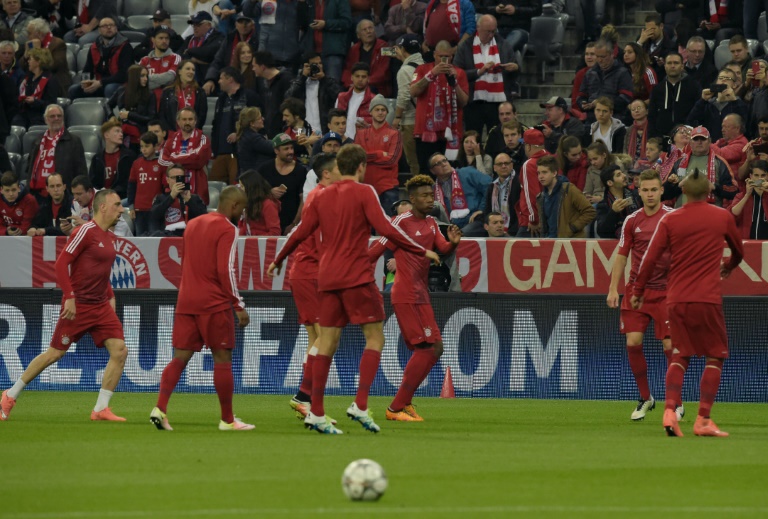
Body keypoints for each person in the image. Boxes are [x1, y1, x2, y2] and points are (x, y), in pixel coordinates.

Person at [267, 144, 438, 434]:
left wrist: (278, 259)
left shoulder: (320, 195)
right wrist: (420, 250)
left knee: (327, 342)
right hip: (357, 276)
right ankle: (359, 404)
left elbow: (300, 231)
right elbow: (386, 228)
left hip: (327, 278)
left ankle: (316, 412)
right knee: (375, 337)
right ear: (361, 167)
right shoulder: (364, 191)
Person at [631, 169, 744, 437]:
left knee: (680, 355)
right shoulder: (722, 216)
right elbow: (739, 251)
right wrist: (729, 265)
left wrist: (638, 289)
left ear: (683, 191)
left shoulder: (671, 220)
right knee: (715, 355)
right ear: (709, 192)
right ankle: (703, 418)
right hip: (707, 298)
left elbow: (649, 257)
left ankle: (670, 411)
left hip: (676, 298)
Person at [1, 189, 128, 422]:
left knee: (120, 351)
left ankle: (101, 409)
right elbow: (61, 264)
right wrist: (69, 296)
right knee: (55, 354)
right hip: (78, 305)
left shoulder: (109, 236)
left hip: (100, 306)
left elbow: (101, 272)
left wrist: (110, 296)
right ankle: (9, 395)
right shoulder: (85, 231)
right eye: (117, 205)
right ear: (102, 207)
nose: (122, 209)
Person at [150, 186, 255, 432]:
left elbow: (187, 262)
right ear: (234, 206)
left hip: (186, 300)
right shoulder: (228, 228)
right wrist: (238, 304)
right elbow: (225, 269)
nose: (242, 214)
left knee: (180, 357)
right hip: (214, 303)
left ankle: (160, 408)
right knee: (222, 358)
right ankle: (227, 420)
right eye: (242, 209)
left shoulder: (194, 224)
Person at [368, 174, 461, 421]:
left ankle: (404, 403)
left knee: (435, 348)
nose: (430, 199)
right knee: (427, 349)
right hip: (406, 294)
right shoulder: (400, 221)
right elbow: (376, 249)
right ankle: (396, 407)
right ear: (412, 198)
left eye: (431, 195)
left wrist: (452, 243)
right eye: (424, 195)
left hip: (421, 294)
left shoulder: (431, 222)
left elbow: (442, 248)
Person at [606, 169, 679, 420]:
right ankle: (646, 397)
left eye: (654, 190)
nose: (649, 194)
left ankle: (675, 402)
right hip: (637, 291)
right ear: (639, 192)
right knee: (633, 342)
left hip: (666, 291)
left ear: (661, 191)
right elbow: (621, 255)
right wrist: (613, 288)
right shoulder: (632, 220)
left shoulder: (672, 217)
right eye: (645, 190)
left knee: (669, 345)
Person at [286, 153, 340, 420]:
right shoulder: (322, 198)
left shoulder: (317, 196)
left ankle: (307, 399)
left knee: (316, 338)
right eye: (339, 168)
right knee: (326, 338)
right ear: (327, 173)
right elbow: (323, 242)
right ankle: (305, 397)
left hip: (305, 272)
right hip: (312, 273)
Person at [453, 14, 520, 137]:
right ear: (478, 28)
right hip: (474, 103)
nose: (491, 35)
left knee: (497, 140)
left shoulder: (503, 44)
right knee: (472, 139)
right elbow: (457, 73)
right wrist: (479, 72)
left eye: (493, 31)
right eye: (488, 31)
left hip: (498, 104)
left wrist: (515, 68)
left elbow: (514, 69)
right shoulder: (465, 46)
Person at [410, 40, 470, 173]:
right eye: (440, 56)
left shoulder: (459, 73)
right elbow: (413, 92)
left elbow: (464, 102)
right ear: (434, 55)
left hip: (451, 133)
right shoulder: (422, 69)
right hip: (425, 131)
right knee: (426, 171)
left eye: (447, 56)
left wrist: (454, 83)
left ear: (452, 56)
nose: (444, 60)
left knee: (450, 172)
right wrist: (431, 74)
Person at [22, 104, 87, 203]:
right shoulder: (37, 141)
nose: (56, 118)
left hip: (63, 197)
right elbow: (30, 168)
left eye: (59, 116)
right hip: (37, 195)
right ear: (46, 119)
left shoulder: (74, 141)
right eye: (52, 116)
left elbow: (81, 171)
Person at [664, 126, 738, 207]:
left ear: (709, 141)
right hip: (682, 212)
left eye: (703, 139)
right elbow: (664, 194)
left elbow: (734, 191)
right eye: (696, 139)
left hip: (710, 213)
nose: (699, 142)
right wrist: (675, 185)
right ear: (690, 142)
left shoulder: (720, 162)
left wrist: (714, 187)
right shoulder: (679, 162)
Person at [210, 67, 261, 184]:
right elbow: (216, 125)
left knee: (237, 186)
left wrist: (240, 133)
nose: (219, 81)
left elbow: (258, 121)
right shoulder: (221, 99)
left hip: (239, 153)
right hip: (221, 152)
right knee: (213, 185)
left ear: (230, 79)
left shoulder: (249, 96)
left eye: (221, 78)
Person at [354, 94, 403, 213]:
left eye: (383, 110)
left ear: (387, 112)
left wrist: (367, 159)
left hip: (388, 188)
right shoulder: (361, 133)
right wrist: (379, 154)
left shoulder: (394, 134)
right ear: (371, 112)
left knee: (389, 223)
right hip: (365, 187)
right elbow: (356, 158)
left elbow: (392, 161)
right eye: (377, 109)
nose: (380, 112)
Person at [69, 17, 134, 100]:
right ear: (99, 30)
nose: (109, 27)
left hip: (118, 84)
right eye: (105, 26)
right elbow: (88, 69)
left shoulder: (125, 47)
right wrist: (86, 82)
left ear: (116, 29)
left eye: (111, 25)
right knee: (73, 90)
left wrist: (100, 82)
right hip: (99, 84)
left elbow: (124, 75)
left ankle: (110, 108)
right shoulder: (94, 47)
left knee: (109, 88)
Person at [532, 155, 596, 238]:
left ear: (554, 173)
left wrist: (572, 228)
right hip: (549, 241)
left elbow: (590, 211)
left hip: (569, 241)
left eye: (544, 172)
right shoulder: (541, 197)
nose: (540, 176)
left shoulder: (569, 190)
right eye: (538, 173)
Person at [158, 107, 212, 205]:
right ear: (178, 122)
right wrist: (189, 159)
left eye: (190, 119)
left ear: (195, 121)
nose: (187, 122)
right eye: (184, 119)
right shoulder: (170, 140)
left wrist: (174, 157)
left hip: (197, 190)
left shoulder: (203, 139)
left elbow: (198, 161)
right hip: (173, 192)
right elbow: (162, 162)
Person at [258, 133, 308, 233]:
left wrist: (294, 224)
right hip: (267, 225)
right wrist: (269, 193)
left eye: (292, 148)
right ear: (276, 151)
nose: (291, 152)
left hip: (291, 224)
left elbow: (303, 200)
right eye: (286, 149)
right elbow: (254, 194)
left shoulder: (301, 171)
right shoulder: (264, 169)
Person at [285, 52, 343, 137]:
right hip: (301, 130)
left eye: (320, 63)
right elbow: (288, 98)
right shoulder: (299, 82)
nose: (318, 66)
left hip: (324, 130)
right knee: (300, 144)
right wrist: (302, 78)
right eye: (314, 64)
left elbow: (339, 97)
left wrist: (324, 79)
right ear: (306, 66)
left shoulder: (329, 81)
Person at [577, 38, 634, 123]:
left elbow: (625, 99)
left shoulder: (623, 73)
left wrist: (601, 104)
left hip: (615, 119)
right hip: (591, 119)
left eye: (603, 57)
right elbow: (581, 96)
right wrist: (583, 103)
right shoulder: (590, 73)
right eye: (597, 56)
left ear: (612, 54)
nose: (599, 60)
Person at [429, 151, 491, 228]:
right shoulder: (434, 189)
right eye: (438, 163)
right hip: (452, 225)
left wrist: (481, 209)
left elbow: (489, 186)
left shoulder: (467, 172)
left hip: (475, 219)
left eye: (444, 160)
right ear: (432, 171)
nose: (444, 164)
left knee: (463, 233)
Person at [201, 14, 258, 95]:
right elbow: (217, 61)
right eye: (241, 22)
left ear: (252, 24)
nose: (244, 25)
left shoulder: (258, 39)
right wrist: (210, 79)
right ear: (236, 24)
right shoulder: (229, 38)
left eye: (247, 22)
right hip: (229, 79)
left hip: (250, 81)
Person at [648, 52, 701, 138]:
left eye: (676, 63)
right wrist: (652, 137)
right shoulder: (657, 89)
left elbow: (698, 112)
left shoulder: (694, 86)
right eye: (669, 63)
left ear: (682, 66)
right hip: (662, 138)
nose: (672, 66)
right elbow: (652, 116)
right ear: (665, 66)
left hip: (687, 137)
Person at [297, 0, 352, 82]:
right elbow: (303, 24)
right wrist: (302, 4)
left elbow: (346, 22)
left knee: (332, 85)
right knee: (310, 85)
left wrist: (326, 24)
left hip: (332, 53)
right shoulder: (310, 2)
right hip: (312, 53)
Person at [687, 68, 748, 142]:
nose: (723, 80)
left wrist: (734, 101)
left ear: (734, 85)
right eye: (721, 78)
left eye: (727, 78)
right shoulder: (708, 104)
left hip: (732, 144)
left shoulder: (739, 104)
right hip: (710, 144)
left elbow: (745, 125)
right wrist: (702, 100)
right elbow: (691, 121)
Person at [392, 34, 424, 175]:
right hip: (426, 120)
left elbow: (404, 96)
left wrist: (397, 117)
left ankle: (419, 186)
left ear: (403, 49)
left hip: (411, 121)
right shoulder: (426, 66)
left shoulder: (404, 70)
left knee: (414, 161)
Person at [109, 65, 157, 152]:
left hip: (141, 132)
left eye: (146, 76)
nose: (146, 79)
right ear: (134, 77)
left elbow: (151, 118)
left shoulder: (150, 94)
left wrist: (129, 115)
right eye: (142, 76)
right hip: (123, 131)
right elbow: (107, 105)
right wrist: (112, 116)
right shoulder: (122, 90)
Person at [150, 164, 207, 237]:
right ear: (167, 180)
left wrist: (189, 201)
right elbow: (153, 216)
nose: (177, 181)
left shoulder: (194, 198)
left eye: (180, 177)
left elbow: (204, 218)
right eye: (173, 178)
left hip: (191, 236)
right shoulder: (161, 198)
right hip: (167, 237)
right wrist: (171, 197)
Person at [127, 132, 165, 237]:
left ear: (156, 146)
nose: (143, 149)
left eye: (147, 146)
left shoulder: (162, 164)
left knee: (154, 237)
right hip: (139, 209)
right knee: (140, 238)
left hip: (155, 210)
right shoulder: (136, 163)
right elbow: (131, 187)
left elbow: (164, 186)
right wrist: (131, 207)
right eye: (142, 146)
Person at [12, 47, 61, 129]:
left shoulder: (50, 80)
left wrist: (35, 101)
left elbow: (51, 104)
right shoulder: (28, 78)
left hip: (40, 116)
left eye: (30, 59)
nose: (28, 62)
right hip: (24, 114)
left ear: (38, 61)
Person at [89, 118, 137, 200]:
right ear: (106, 135)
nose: (121, 134)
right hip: (102, 198)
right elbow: (93, 183)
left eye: (121, 132)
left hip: (122, 198)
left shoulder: (129, 156)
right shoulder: (97, 159)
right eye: (117, 131)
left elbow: (130, 183)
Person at [342, 19, 392, 97]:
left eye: (370, 28)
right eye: (364, 30)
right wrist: (350, 83)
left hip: (377, 87)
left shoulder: (385, 46)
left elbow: (384, 72)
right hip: (357, 85)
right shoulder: (353, 49)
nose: (368, 31)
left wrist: (364, 81)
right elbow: (347, 70)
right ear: (358, 35)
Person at [252, 50, 295, 137]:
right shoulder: (264, 84)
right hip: (272, 134)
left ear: (262, 67)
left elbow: (293, 108)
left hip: (287, 134)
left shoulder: (286, 80)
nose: (253, 69)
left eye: (254, 66)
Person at [138, 25, 182, 106]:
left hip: (168, 103)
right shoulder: (144, 60)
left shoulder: (175, 58)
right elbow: (136, 81)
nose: (164, 41)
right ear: (153, 40)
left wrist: (147, 80)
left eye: (167, 38)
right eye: (161, 38)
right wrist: (162, 82)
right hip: (146, 103)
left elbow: (170, 77)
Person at [515, 128, 548, 237]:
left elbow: (532, 195)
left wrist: (534, 220)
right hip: (551, 218)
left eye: (524, 144)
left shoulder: (529, 165)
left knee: (517, 247)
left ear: (528, 146)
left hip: (532, 223)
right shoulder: (552, 160)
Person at [158, 60, 207, 132]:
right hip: (172, 134)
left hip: (193, 133)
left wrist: (191, 131)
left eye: (193, 70)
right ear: (179, 71)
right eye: (188, 69)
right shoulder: (167, 91)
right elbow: (162, 115)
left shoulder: (200, 92)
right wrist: (170, 132)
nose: (191, 72)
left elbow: (202, 116)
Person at [23, 18, 70, 92]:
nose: (28, 36)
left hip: (55, 82)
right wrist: (26, 55)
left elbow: (53, 66)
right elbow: (21, 67)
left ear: (39, 33)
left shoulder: (58, 44)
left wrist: (38, 51)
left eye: (29, 33)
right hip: (34, 81)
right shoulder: (31, 44)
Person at [179, 11, 225, 84]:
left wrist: (189, 51)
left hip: (210, 79)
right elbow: (180, 55)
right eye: (193, 25)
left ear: (209, 25)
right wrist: (197, 59)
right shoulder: (189, 39)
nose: (195, 27)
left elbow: (209, 53)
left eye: (198, 25)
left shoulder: (219, 37)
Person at [595, 165, 639, 238]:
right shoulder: (603, 205)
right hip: (615, 242)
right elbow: (602, 232)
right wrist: (613, 212)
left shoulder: (636, 196)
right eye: (619, 175)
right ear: (610, 183)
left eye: (622, 173)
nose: (624, 176)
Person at [335, 62, 376, 140]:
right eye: (357, 76)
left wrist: (368, 127)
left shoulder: (374, 100)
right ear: (351, 77)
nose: (360, 79)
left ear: (368, 79)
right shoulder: (341, 98)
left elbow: (379, 126)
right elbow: (334, 121)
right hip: (343, 141)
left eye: (363, 77)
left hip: (364, 141)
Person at [730, 159, 768, 239]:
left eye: (763, 175)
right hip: (748, 242)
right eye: (756, 175)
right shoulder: (741, 195)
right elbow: (734, 213)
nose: (760, 179)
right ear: (751, 176)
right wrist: (747, 195)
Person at [237, 169, 281, 236]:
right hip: (246, 241)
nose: (240, 189)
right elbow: (243, 228)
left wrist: (255, 239)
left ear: (251, 187)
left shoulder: (268, 204)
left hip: (260, 242)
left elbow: (275, 233)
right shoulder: (246, 203)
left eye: (242, 186)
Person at [236, 107, 274, 176]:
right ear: (252, 123)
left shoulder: (245, 134)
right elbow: (273, 146)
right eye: (259, 118)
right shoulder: (253, 138)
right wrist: (284, 139)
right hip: (254, 177)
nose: (263, 119)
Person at [0, 171, 38, 236]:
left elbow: (28, 225)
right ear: (1, 190)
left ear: (19, 188)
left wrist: (13, 232)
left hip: (25, 238)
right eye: (7, 190)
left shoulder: (29, 200)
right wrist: (6, 231)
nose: (11, 194)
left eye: (14, 190)